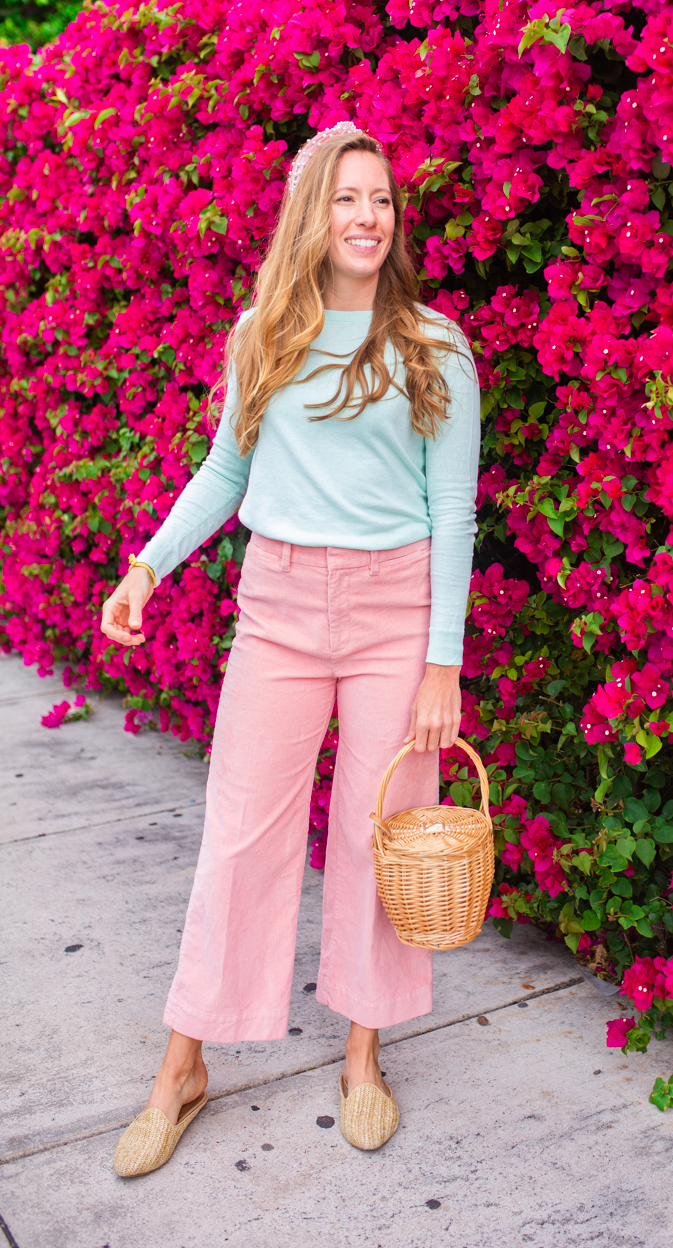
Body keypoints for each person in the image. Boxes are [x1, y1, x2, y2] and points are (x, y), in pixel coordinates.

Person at [100, 123, 480, 1174]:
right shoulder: (262, 331)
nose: (368, 218)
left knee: (381, 832)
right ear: (312, 214)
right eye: (348, 199)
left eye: (383, 203)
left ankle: (363, 1054)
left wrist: (441, 662)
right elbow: (225, 474)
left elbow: (453, 511)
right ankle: (183, 1065)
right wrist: (146, 566)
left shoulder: (434, 346)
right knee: (237, 834)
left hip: (394, 613)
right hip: (276, 604)